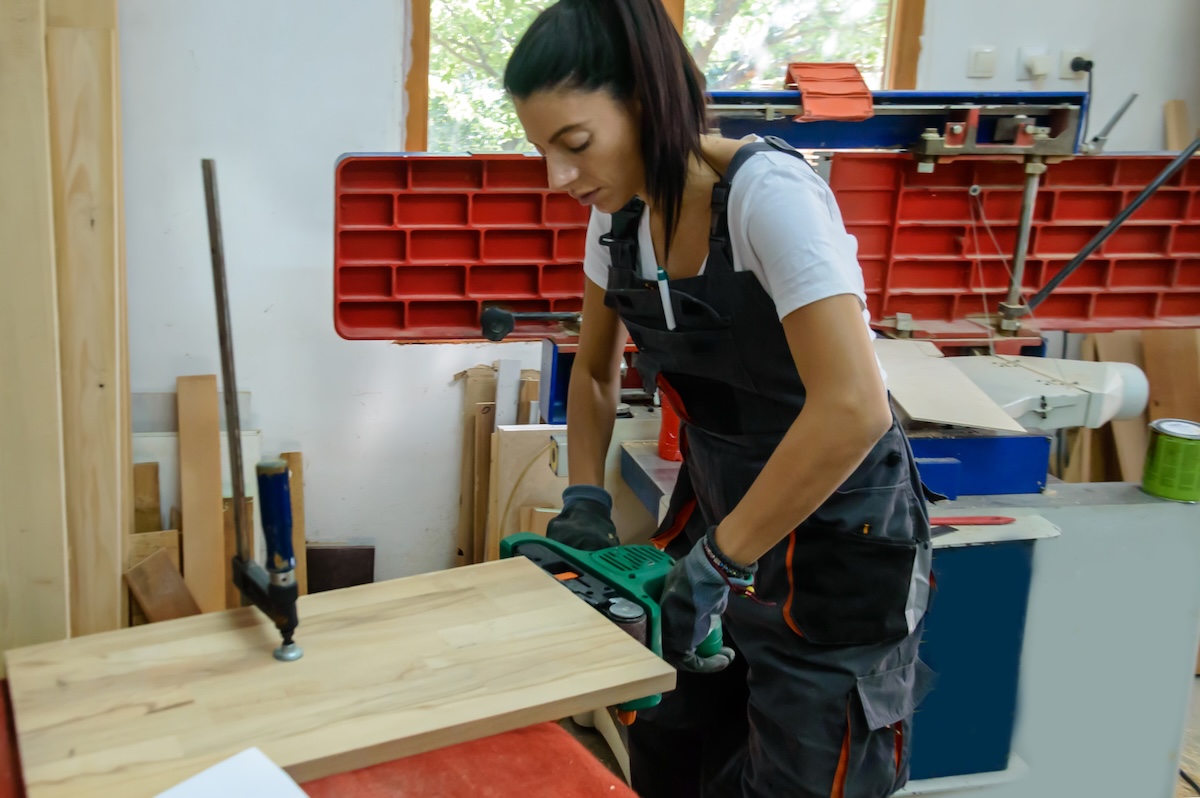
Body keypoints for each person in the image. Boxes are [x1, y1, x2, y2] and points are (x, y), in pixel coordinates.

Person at [504, 2, 938, 796]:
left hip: (840, 541)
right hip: (718, 517)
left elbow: (853, 407)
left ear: (646, 100)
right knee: (674, 746)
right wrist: (585, 495)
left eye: (573, 145)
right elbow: (595, 375)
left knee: (806, 768)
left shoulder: (769, 197)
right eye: (543, 151)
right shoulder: (616, 224)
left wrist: (724, 559)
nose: (558, 178)